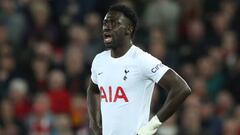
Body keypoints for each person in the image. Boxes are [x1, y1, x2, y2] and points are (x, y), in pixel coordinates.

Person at [87, 4, 191, 135]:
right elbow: (93, 90)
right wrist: (95, 125)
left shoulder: (142, 60)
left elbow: (181, 88)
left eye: (114, 23)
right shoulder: (99, 60)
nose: (107, 27)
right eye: (105, 22)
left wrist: (150, 127)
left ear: (129, 29)